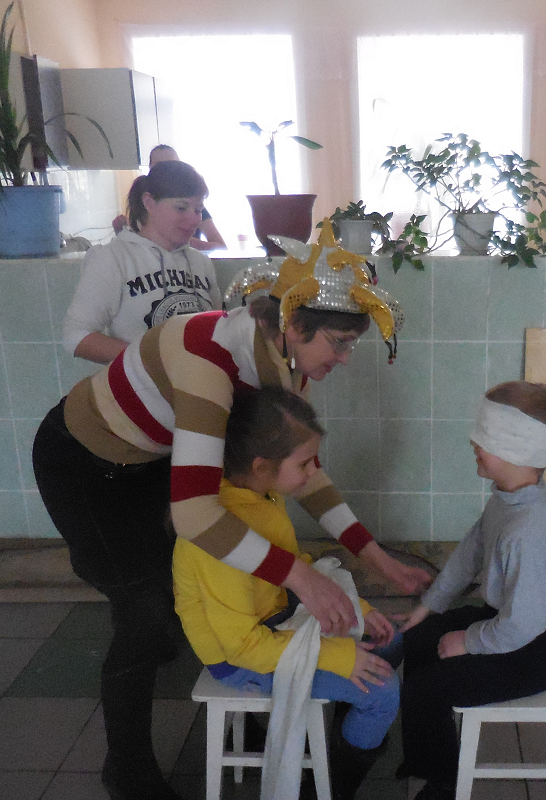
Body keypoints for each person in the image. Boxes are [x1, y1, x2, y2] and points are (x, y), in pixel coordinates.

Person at [32, 220, 429, 800]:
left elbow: (307, 472)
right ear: (294, 325)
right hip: (84, 462)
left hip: (151, 458)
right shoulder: (208, 359)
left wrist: (376, 557)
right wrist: (301, 578)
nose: (344, 358)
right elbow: (194, 516)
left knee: (188, 586)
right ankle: (128, 767)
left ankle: (253, 704)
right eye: (339, 343)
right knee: (144, 610)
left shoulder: (284, 364)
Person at [173, 385, 401, 800]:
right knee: (384, 692)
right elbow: (244, 648)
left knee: (390, 641)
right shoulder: (219, 533)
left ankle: (340, 730)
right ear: (261, 466)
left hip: (276, 622)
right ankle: (329, 786)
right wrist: (340, 657)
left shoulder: (261, 495)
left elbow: (294, 573)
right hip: (239, 658)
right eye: (304, 463)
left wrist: (357, 608)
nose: (314, 471)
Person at [396, 381, 546, 800]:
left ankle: (443, 782)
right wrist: (429, 606)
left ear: (517, 449)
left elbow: (524, 625)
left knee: (426, 688)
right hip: (506, 623)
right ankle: (428, 755)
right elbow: (471, 552)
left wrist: (468, 641)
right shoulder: (507, 500)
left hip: (533, 650)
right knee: (417, 640)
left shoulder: (528, 530)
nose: (473, 442)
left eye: (484, 436)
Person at [63, 159, 222, 364]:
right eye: (181, 208)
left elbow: (218, 332)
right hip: (145, 383)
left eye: (198, 210)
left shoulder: (200, 263)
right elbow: (76, 336)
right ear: (149, 202)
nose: (194, 220)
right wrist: (151, 362)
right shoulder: (113, 258)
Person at [112, 144, 227, 251]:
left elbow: (220, 246)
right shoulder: (139, 202)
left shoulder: (194, 206)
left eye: (172, 164)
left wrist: (183, 238)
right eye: (159, 166)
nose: (167, 171)